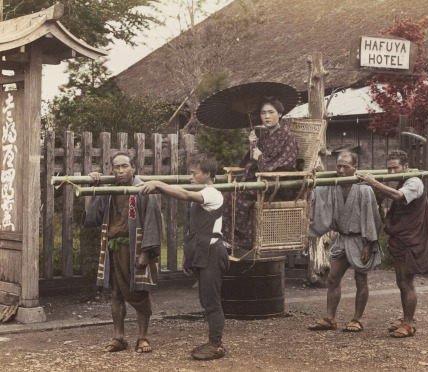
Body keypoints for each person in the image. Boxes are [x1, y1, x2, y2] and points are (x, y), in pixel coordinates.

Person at [140, 152, 230, 361]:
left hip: (213, 253)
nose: (190, 176)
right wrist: (187, 257)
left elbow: (185, 194)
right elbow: (195, 230)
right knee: (205, 299)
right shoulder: (202, 193)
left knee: (211, 301)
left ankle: (216, 345)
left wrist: (158, 184)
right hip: (203, 251)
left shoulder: (213, 193)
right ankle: (213, 342)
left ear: (207, 174)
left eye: (194, 173)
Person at [356, 150, 428, 338]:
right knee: (401, 281)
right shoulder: (403, 180)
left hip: (411, 239)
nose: (391, 171)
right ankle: (405, 319)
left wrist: (373, 183)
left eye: (395, 167)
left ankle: (409, 324)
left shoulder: (414, 181)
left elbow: (397, 196)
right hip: (403, 237)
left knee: (406, 282)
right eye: (388, 168)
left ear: (405, 167)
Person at [83, 151, 162, 353]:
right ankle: (119, 337)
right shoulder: (110, 191)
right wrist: (93, 186)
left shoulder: (144, 189)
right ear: (112, 169)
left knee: (140, 291)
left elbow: (153, 221)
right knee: (116, 293)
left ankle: (142, 337)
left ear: (133, 167)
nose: (120, 171)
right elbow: (92, 217)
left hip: (136, 248)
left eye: (124, 166)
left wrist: (146, 252)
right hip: (113, 248)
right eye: (116, 167)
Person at [308, 152, 382, 333]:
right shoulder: (332, 186)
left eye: (346, 166)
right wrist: (311, 178)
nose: (341, 170)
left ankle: (357, 319)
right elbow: (316, 194)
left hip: (361, 238)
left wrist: (369, 244)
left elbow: (373, 218)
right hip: (343, 238)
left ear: (355, 168)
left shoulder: (364, 190)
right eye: (338, 165)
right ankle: (329, 318)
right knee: (333, 278)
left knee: (360, 278)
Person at [222, 97, 298, 249]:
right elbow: (249, 163)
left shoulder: (287, 137)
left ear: (280, 114)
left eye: (271, 112)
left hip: (276, 184)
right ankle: (230, 238)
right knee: (227, 193)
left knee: (238, 195)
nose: (267, 116)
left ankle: (242, 240)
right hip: (260, 180)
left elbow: (286, 164)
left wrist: (260, 158)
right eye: (263, 113)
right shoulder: (264, 137)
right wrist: (252, 146)